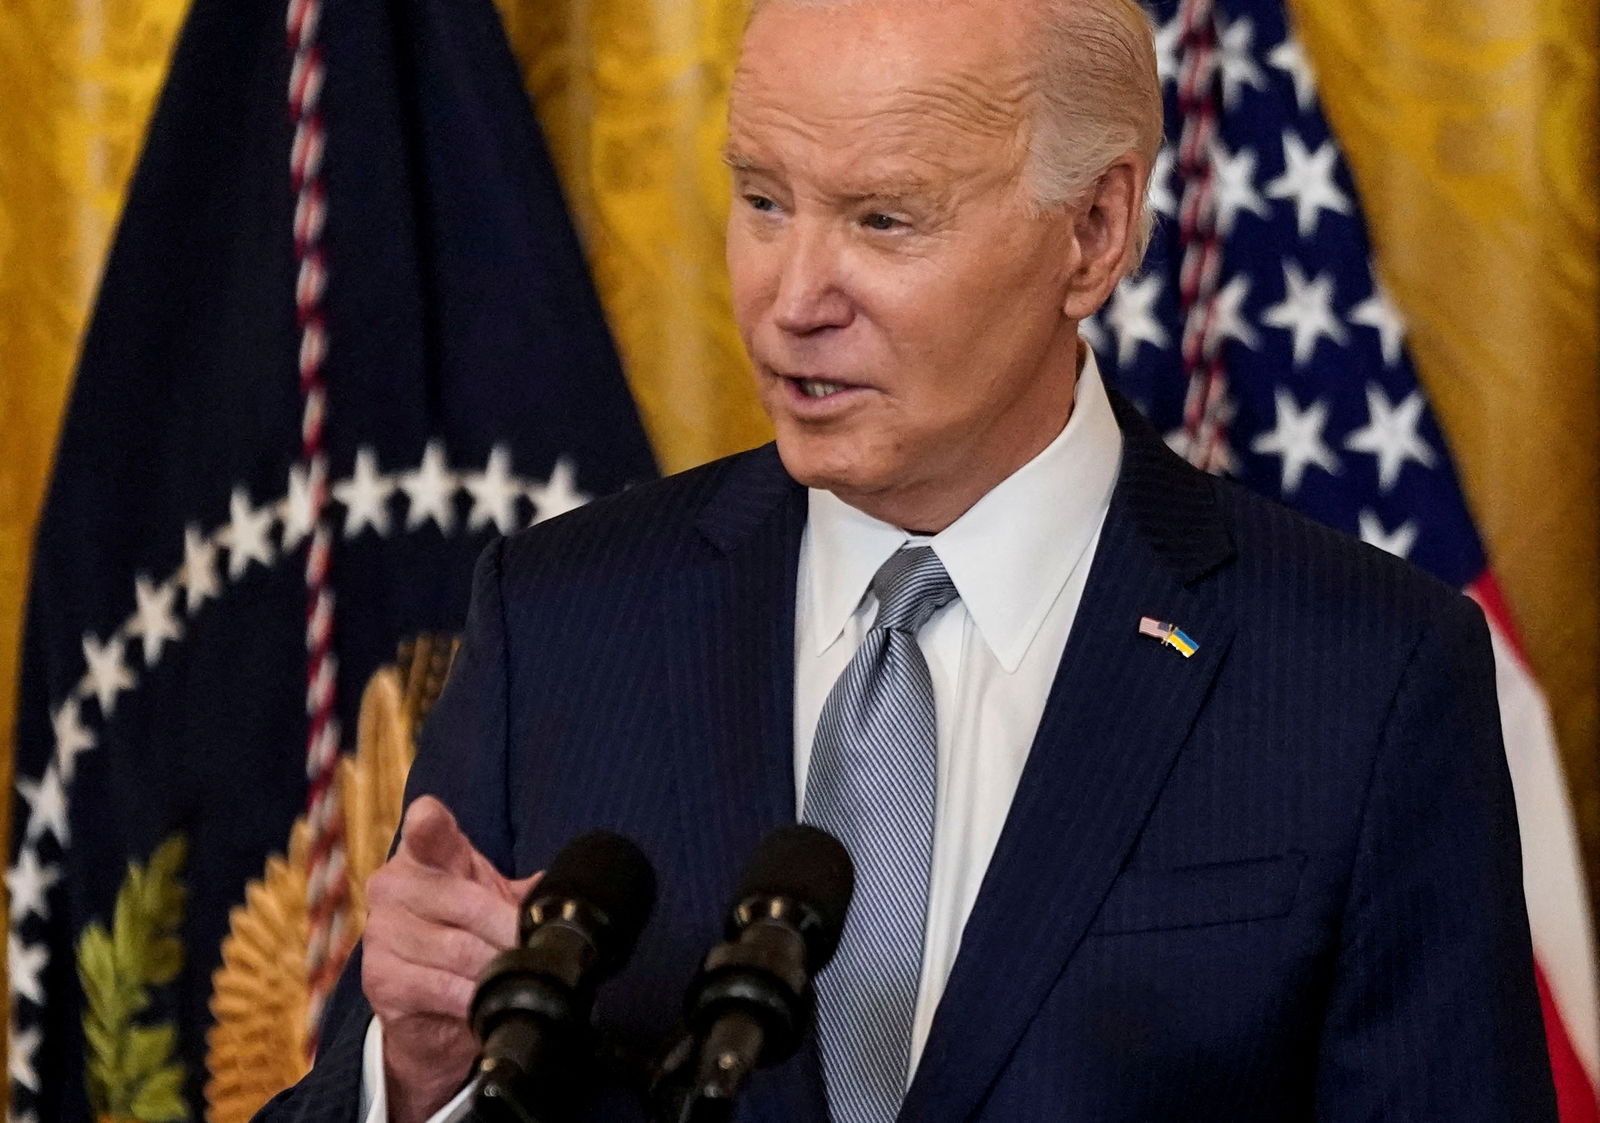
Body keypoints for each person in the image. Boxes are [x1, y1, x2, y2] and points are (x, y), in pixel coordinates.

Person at [260, 0, 1557, 1119]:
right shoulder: (563, 621)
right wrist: (420, 1080)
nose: (792, 294)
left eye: (883, 220)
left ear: (1095, 233)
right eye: (762, 199)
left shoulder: (1366, 677)